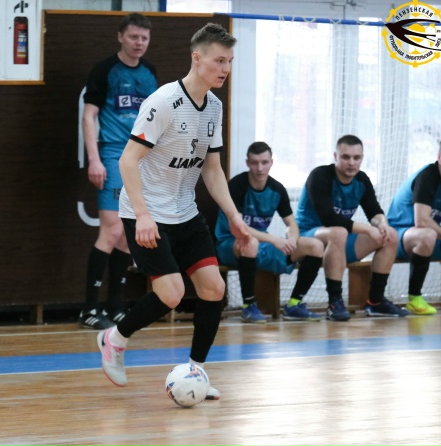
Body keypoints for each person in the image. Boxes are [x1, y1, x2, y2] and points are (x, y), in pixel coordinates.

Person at [97, 23, 252, 399]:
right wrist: (142, 215)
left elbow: (212, 169)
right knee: (171, 293)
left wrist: (234, 216)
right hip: (146, 212)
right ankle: (115, 338)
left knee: (214, 288)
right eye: (219, 61)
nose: (226, 69)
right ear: (197, 58)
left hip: (185, 212)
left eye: (230, 61)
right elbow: (128, 161)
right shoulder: (163, 102)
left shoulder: (214, 107)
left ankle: (196, 372)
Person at [78, 13, 158, 330]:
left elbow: (155, 120)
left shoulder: (150, 73)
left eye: (144, 38)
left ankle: (114, 306)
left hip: (141, 159)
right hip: (113, 154)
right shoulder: (105, 70)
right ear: (121, 37)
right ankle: (88, 309)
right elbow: (89, 116)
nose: (139, 43)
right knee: (111, 231)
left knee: (127, 235)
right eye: (134, 37)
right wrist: (94, 159)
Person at [295, 134, 410, 321]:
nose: (351, 163)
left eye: (356, 158)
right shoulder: (320, 175)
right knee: (338, 232)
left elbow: (374, 211)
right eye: (346, 157)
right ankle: (335, 303)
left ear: (362, 158)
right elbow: (329, 217)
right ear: (335, 156)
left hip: (338, 242)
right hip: (308, 239)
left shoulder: (362, 180)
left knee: (391, 236)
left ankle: (376, 302)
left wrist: (382, 224)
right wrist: (367, 229)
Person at [214, 141, 324, 322]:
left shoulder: (277, 189)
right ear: (247, 163)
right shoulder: (236, 185)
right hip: (230, 242)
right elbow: (240, 227)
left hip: (262, 243)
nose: (260, 168)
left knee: (315, 246)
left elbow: (292, 223)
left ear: (271, 162)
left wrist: (292, 239)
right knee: (250, 243)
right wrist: (274, 240)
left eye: (264, 162)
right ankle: (248, 306)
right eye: (255, 163)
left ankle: (294, 304)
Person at [386, 135, 441, 315]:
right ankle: (414, 298)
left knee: (429, 234)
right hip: (397, 235)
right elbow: (421, 221)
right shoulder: (427, 177)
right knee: (427, 234)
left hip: (425, 235)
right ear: (439, 157)